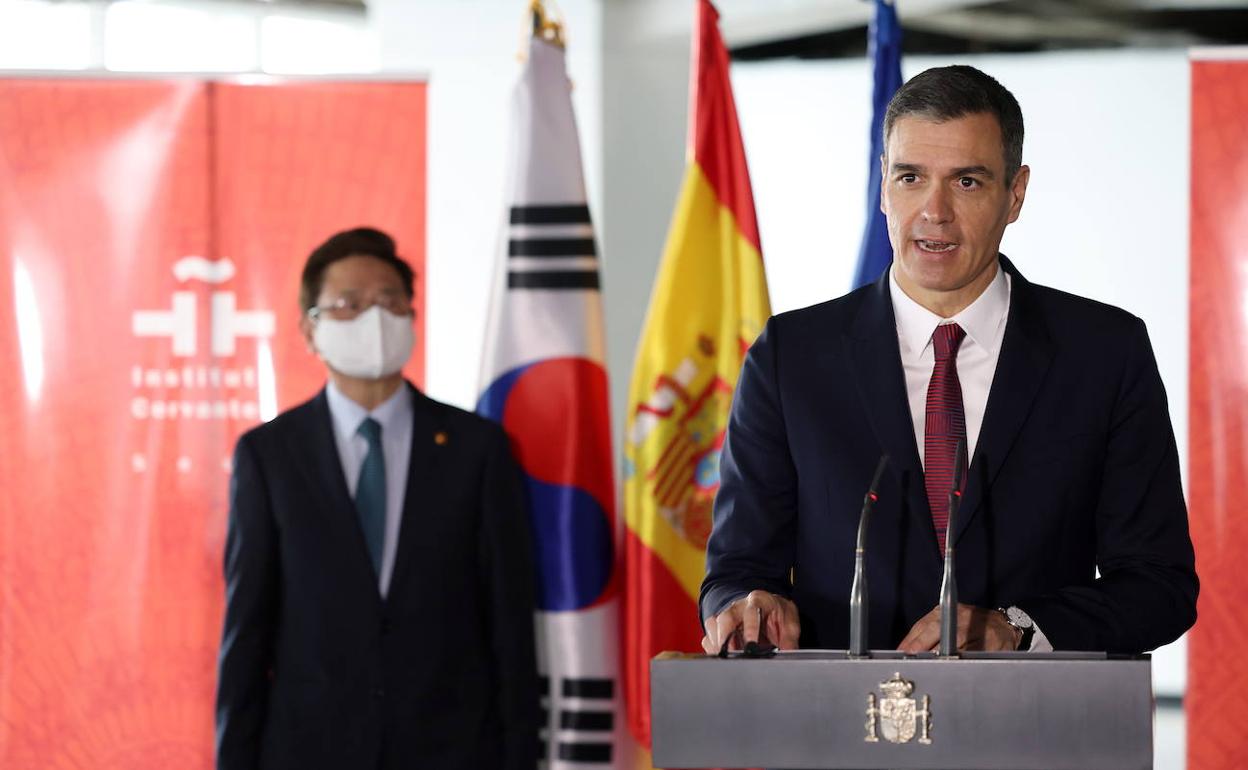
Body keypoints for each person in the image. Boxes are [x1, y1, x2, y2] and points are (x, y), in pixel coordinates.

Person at [700, 66, 1197, 656]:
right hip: (841, 713)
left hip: (1034, 712)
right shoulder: (791, 357)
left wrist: (1017, 628)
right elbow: (737, 569)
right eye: (911, 177)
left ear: (1015, 194)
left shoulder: (1104, 353)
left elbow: (1158, 586)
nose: (934, 212)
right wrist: (751, 604)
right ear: (883, 185)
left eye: (966, 181)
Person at [215, 228, 538, 770]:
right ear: (310, 330)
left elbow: (509, 626)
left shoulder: (476, 450)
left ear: (411, 316)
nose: (374, 318)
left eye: (390, 301)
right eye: (349, 304)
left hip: (452, 750)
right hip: (309, 751)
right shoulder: (270, 456)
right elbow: (247, 633)